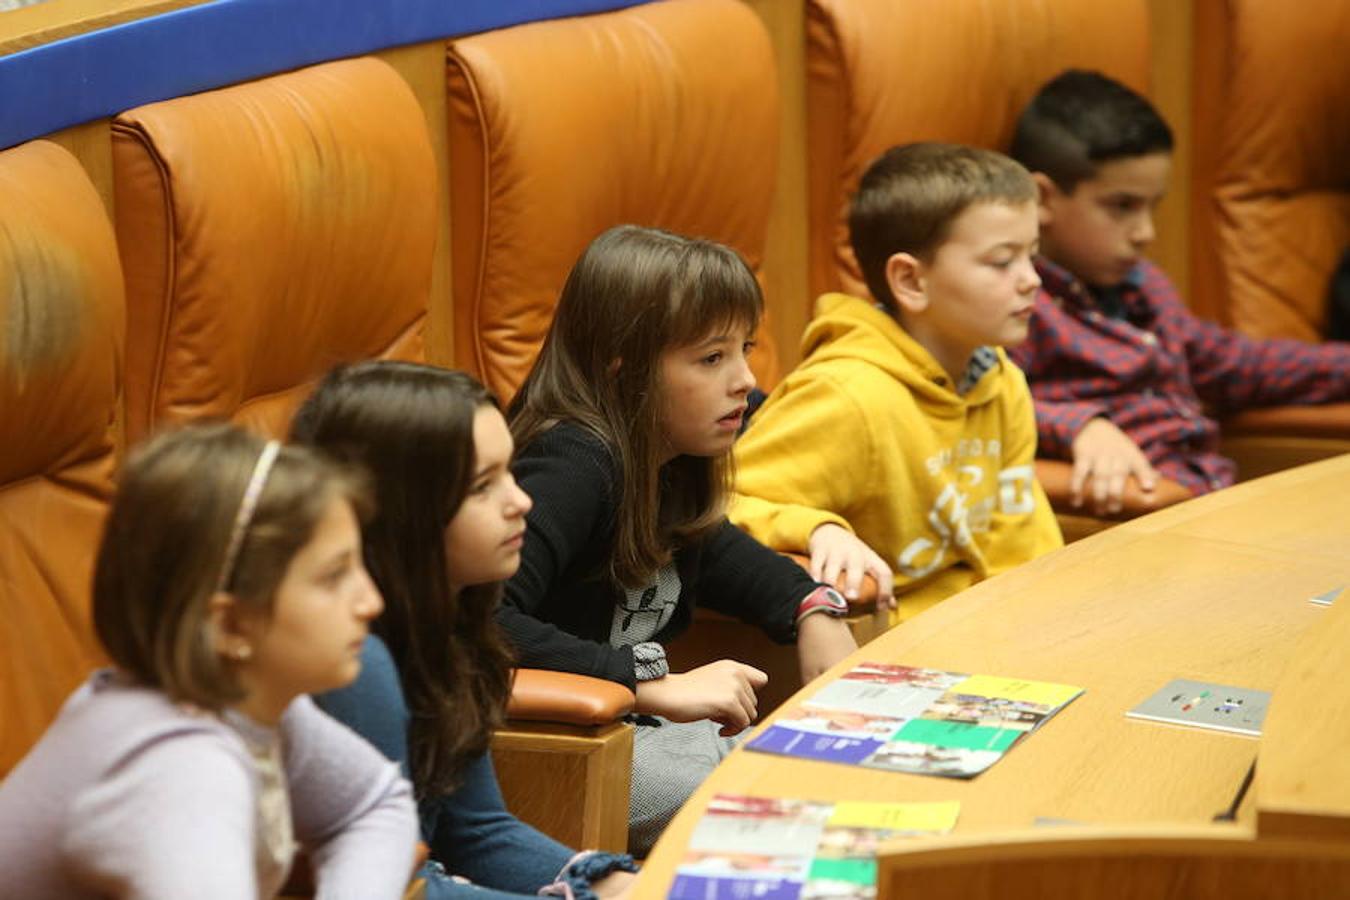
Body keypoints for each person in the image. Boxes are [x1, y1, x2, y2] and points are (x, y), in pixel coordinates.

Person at [501, 224, 859, 853]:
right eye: (712, 358)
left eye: (745, 349)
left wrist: (811, 606)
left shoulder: (662, 459)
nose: (746, 379)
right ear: (623, 369)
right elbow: (478, 621)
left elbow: (716, 550)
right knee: (810, 820)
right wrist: (643, 682)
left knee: (846, 776)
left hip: (645, 727)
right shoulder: (573, 466)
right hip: (561, 745)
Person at [0, 423, 417, 899]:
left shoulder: (245, 701)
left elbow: (373, 804)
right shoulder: (179, 772)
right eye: (333, 577)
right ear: (231, 626)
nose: (372, 601)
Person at [291, 361, 636, 899]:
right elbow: (403, 887)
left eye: (511, 472)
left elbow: (477, 830)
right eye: (483, 486)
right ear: (403, 513)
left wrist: (612, 883)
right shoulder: (356, 663)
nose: (521, 501)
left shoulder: (451, 627)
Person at [730, 143, 1063, 625]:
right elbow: (718, 504)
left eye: (1032, 256)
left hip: (1000, 633)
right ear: (910, 281)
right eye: (1001, 261)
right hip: (896, 650)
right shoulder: (847, 395)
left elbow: (1022, 543)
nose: (1031, 280)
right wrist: (814, 528)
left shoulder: (1001, 378)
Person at [1008, 69, 1350, 512]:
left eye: (1154, 206)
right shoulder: (1016, 301)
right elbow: (979, 405)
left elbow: (1236, 365)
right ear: (1044, 199)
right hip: (1143, 522)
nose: (1145, 232)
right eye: (1122, 206)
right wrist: (1080, 425)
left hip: (1214, 494)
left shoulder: (1144, 284)